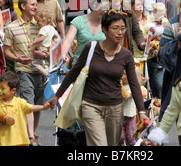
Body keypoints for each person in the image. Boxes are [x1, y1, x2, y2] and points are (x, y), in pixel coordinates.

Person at [44, 10, 150, 146]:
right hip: (91, 106)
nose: (120, 32)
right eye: (115, 28)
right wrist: (57, 96)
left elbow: (134, 84)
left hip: (115, 108)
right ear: (104, 29)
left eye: (123, 29)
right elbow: (73, 72)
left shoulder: (126, 55)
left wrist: (141, 111)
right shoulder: (91, 48)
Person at [3, 0, 48, 146]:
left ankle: (34, 133)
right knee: (28, 103)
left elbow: (52, 45)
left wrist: (44, 54)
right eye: (33, 5)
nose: (36, 7)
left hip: (41, 70)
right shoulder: (11, 27)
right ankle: (30, 137)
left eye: (36, 5)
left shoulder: (42, 26)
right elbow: (6, 51)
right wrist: (17, 59)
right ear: (23, 6)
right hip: (23, 70)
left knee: (38, 105)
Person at [0, 71, 48, 146]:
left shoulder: (20, 102)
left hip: (21, 142)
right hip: (4, 143)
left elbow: (31, 107)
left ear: (13, 90)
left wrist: (43, 107)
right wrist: (2, 118)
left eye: (3, 88)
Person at [60, 0, 106, 66]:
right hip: (80, 67)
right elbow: (67, 41)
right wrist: (63, 54)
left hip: (100, 68)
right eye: (103, 8)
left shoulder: (107, 22)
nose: (105, 11)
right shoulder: (78, 21)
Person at [28, 10, 60, 79]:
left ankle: (45, 74)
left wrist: (32, 43)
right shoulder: (52, 28)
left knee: (34, 63)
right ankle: (48, 74)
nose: (37, 23)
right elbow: (56, 36)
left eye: (38, 21)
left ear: (44, 20)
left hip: (41, 49)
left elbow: (42, 38)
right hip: (48, 50)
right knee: (46, 63)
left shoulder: (43, 29)